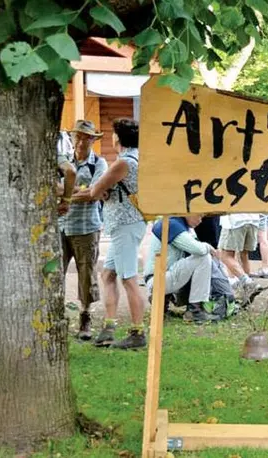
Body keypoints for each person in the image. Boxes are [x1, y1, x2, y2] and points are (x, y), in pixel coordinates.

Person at [81, 118, 147, 350]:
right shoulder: (139, 158)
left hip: (125, 224)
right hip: (129, 223)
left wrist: (100, 190)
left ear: (117, 138)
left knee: (128, 278)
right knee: (108, 274)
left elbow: (95, 190)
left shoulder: (124, 163)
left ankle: (138, 332)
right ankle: (109, 327)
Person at [61, 120, 108, 340]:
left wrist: (67, 195)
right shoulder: (63, 162)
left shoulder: (99, 163)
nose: (80, 141)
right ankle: (57, 317)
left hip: (86, 227)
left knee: (86, 275)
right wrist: (78, 191)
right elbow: (53, 187)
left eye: (86, 137)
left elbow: (94, 193)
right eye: (77, 136)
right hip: (61, 226)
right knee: (54, 273)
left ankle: (85, 316)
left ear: (93, 140)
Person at [144, 215, 219, 323]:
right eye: (199, 216)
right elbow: (199, 249)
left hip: (162, 278)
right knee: (204, 258)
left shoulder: (180, 225)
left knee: (194, 260)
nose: (200, 220)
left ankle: (163, 305)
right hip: (157, 281)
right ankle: (194, 311)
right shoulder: (172, 224)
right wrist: (208, 246)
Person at [218, 213, 261, 298]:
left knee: (225, 255)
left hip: (234, 221)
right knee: (244, 255)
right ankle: (246, 293)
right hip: (253, 220)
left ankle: (247, 282)